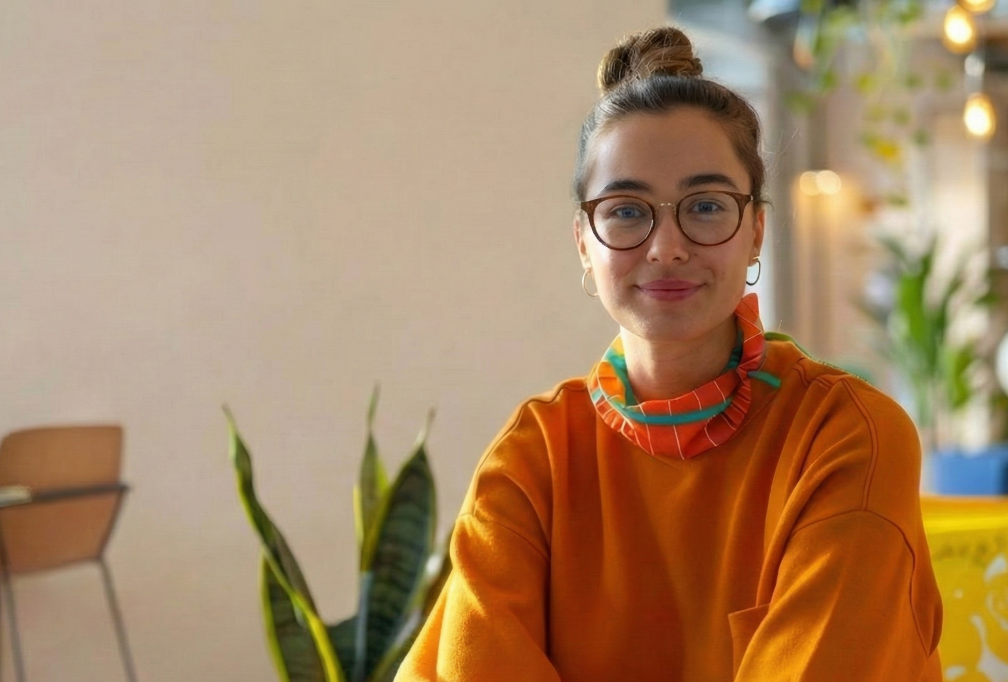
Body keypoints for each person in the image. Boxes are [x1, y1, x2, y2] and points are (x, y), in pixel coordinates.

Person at [395, 26, 943, 682]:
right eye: (626, 211)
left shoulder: (845, 437)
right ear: (583, 244)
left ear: (755, 230)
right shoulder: (534, 458)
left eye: (706, 206)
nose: (666, 247)